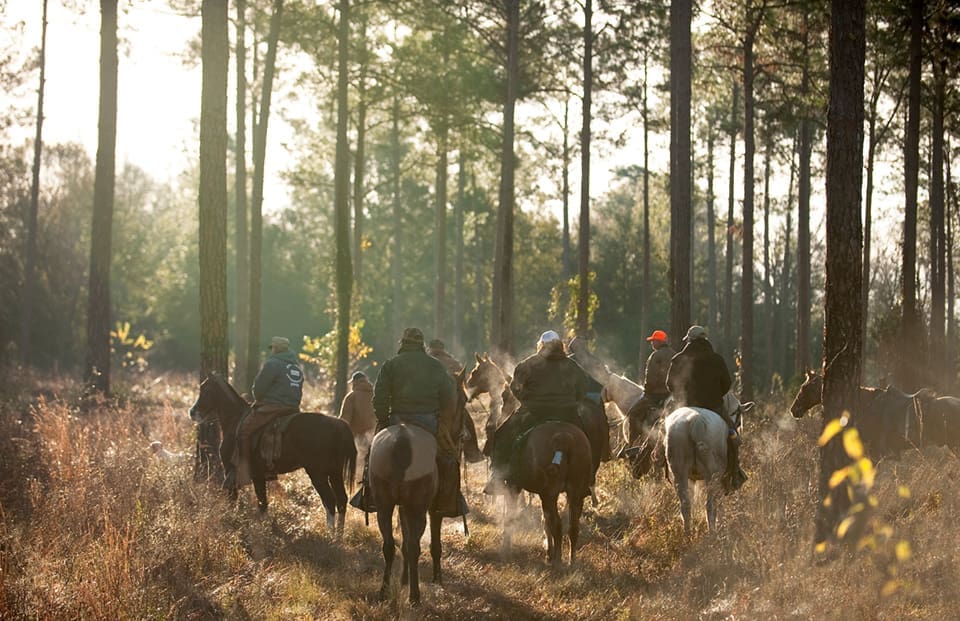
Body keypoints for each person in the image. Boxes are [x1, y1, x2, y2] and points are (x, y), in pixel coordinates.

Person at [368, 327, 464, 516]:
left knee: (371, 455)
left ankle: (369, 497)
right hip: (428, 421)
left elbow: (379, 396)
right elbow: (449, 398)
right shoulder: (436, 366)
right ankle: (448, 501)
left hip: (396, 418)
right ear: (422, 344)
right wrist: (444, 421)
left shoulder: (391, 364)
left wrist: (384, 420)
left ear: (403, 343)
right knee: (449, 458)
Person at [485, 330, 586, 495]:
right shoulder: (572, 366)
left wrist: (525, 400)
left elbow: (514, 388)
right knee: (585, 436)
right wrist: (572, 402)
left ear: (541, 345)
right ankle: (585, 478)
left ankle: (497, 475)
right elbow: (583, 388)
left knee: (503, 434)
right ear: (561, 345)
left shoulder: (528, 364)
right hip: (567, 413)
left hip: (534, 413)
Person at [666, 325, 745, 492]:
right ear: (705, 339)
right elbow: (726, 385)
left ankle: (659, 456)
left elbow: (669, 385)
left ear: (689, 340)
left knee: (663, 428)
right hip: (713, 405)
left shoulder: (678, 359)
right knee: (733, 436)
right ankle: (734, 473)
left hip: (685, 405)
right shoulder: (717, 359)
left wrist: (683, 397)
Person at [233, 336, 303, 488]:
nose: (271, 351)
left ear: (276, 348)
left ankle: (244, 471)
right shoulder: (296, 367)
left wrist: (259, 397)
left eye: (272, 348)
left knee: (244, 431)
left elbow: (258, 390)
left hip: (272, 407)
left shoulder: (272, 364)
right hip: (293, 409)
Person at [625, 329, 677, 443]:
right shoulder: (675, 354)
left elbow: (651, 378)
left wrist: (647, 390)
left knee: (633, 414)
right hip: (673, 395)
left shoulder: (655, 356)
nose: (652, 343)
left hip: (656, 395)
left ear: (659, 342)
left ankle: (633, 446)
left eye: (653, 341)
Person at [339, 371, 376, 460]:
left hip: (356, 438)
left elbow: (345, 420)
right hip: (373, 437)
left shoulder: (351, 397)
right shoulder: (375, 396)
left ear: (354, 382)